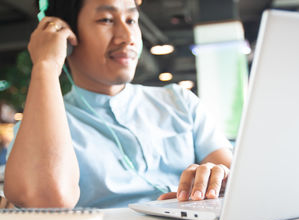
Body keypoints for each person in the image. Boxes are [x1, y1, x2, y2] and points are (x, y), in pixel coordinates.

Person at [4, 0, 232, 208]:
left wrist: (216, 177)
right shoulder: (45, 126)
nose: (127, 36)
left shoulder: (179, 102)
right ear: (67, 37)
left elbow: (234, 178)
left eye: (131, 20)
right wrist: (45, 64)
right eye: (106, 20)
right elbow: (46, 202)